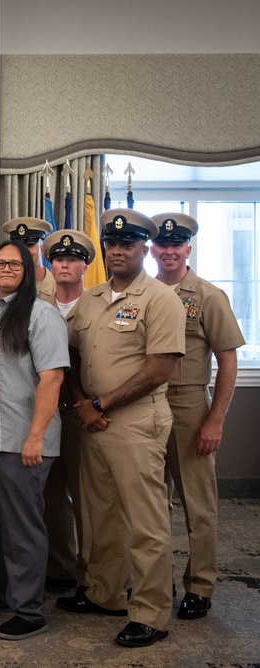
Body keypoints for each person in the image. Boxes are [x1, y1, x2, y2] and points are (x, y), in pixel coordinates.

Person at [57, 209, 185, 649]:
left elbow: (159, 369)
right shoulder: (91, 298)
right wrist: (80, 400)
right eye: (111, 244)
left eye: (127, 243)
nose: (117, 250)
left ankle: (150, 612)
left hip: (134, 421)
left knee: (145, 520)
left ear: (143, 249)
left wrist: (100, 403)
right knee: (100, 516)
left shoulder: (160, 299)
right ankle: (104, 593)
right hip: (92, 418)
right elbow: (72, 355)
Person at [0, 240, 69, 640]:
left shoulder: (41, 314)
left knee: (22, 528)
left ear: (29, 269)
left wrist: (35, 436)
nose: (6, 270)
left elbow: (52, 377)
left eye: (15, 264)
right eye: (0, 264)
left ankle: (28, 610)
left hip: (23, 440)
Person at [150, 212, 245, 620]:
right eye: (162, 245)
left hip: (189, 404)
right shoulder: (142, 293)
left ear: (188, 248)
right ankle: (155, 580)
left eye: (177, 244)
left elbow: (228, 361)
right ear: (151, 249)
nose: (169, 251)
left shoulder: (207, 296)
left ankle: (200, 586)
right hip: (144, 402)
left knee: (197, 503)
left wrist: (215, 420)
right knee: (149, 501)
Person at [41, 230, 98, 590]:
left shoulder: (97, 304)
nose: (65, 264)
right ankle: (60, 568)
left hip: (82, 411)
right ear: (50, 264)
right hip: (46, 410)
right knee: (51, 494)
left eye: (72, 259)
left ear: (84, 266)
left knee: (88, 495)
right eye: (59, 259)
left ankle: (90, 573)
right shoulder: (36, 303)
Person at [1, 217, 55, 304]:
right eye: (18, 246)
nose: (24, 251)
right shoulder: (4, 286)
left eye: (30, 245)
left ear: (42, 249)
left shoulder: (59, 288)